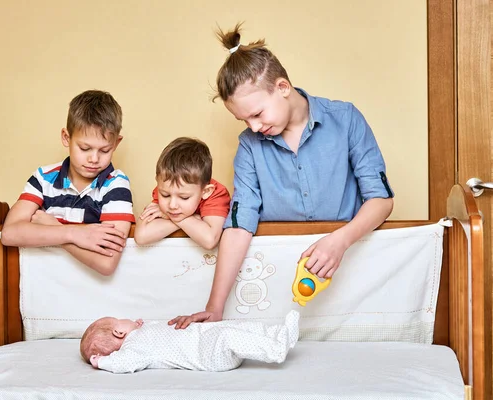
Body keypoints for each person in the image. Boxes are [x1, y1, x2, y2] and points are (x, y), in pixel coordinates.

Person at [169, 23, 394, 329]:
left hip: (349, 267)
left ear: (283, 88)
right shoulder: (249, 146)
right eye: (243, 119)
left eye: (257, 114)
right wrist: (215, 306)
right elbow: (239, 224)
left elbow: (380, 200)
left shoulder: (346, 119)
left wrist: (339, 242)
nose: (253, 127)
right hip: (279, 279)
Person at [1, 90, 135, 276]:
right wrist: (74, 234)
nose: (94, 159)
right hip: (46, 286)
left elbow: (106, 263)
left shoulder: (116, 185)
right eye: (85, 148)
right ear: (66, 137)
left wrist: (54, 227)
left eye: (105, 150)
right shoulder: (43, 178)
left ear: (116, 143)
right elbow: (9, 234)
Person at [81, 310, 300, 373]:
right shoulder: (134, 347)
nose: (132, 318)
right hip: (208, 356)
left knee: (235, 327)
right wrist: (101, 362)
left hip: (204, 336)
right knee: (229, 336)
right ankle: (275, 350)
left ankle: (278, 334)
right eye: (122, 319)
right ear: (119, 332)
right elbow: (123, 363)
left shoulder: (143, 330)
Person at [134, 137, 231, 250]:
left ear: (205, 191)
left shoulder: (216, 194)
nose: (172, 205)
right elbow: (141, 236)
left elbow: (209, 240)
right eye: (165, 195)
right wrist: (194, 219)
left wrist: (172, 218)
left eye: (184, 197)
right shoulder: (166, 187)